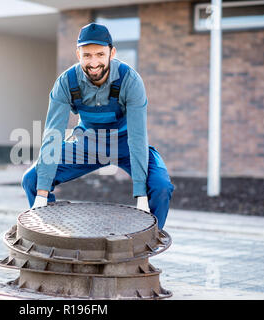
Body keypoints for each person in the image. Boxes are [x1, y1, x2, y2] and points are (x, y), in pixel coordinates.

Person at [21, 23, 174, 230]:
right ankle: (52, 234)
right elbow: (53, 134)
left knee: (161, 187)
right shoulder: (67, 82)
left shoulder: (130, 80)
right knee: (32, 179)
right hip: (87, 145)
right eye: (87, 55)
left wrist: (141, 196)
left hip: (127, 145)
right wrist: (41, 194)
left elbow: (138, 137)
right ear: (78, 54)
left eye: (100, 54)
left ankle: (147, 240)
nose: (94, 62)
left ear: (112, 53)